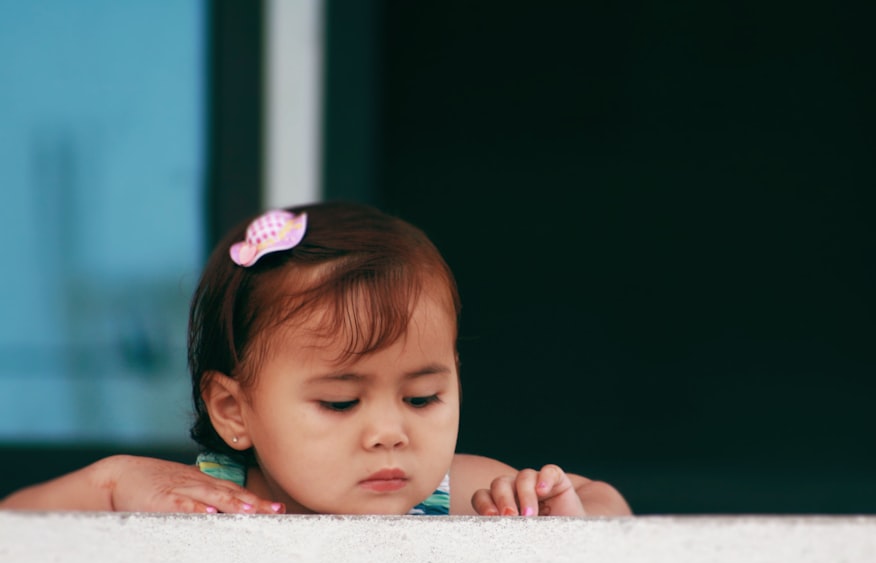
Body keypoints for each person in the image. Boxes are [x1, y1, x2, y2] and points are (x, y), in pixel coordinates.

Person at [0, 202, 631, 517]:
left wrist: (561, 520)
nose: (390, 433)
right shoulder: (207, 504)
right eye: (339, 401)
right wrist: (107, 485)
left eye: (422, 397)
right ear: (233, 409)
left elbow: (616, 514)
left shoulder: (457, 494)